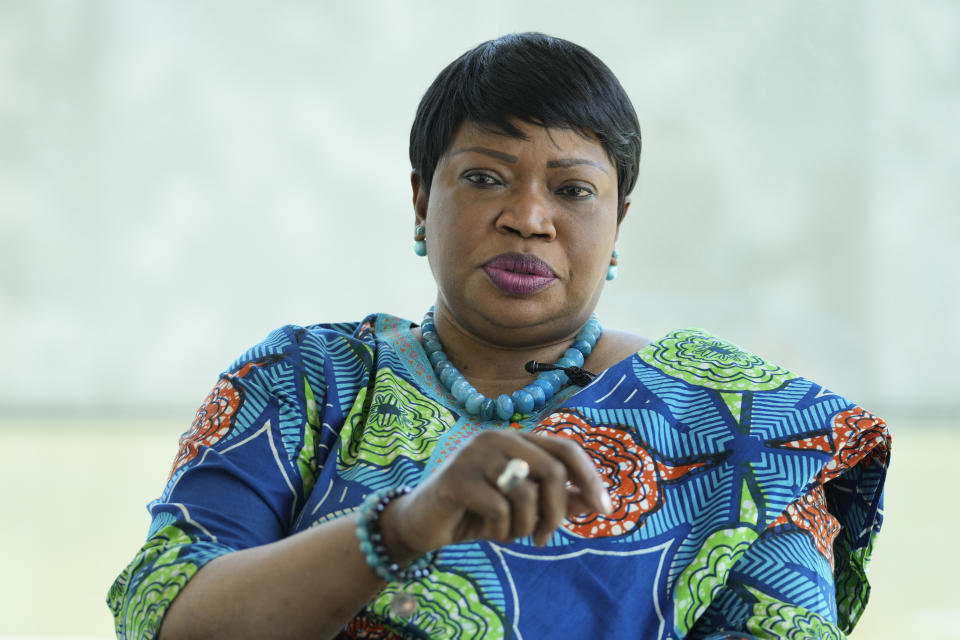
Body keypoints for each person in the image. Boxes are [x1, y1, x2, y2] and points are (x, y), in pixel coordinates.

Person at [108, 33, 890, 640]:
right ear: (421, 200)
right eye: (484, 177)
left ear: (618, 223)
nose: (528, 216)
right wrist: (406, 525)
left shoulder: (741, 429)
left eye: (573, 190)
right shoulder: (304, 378)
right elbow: (168, 615)